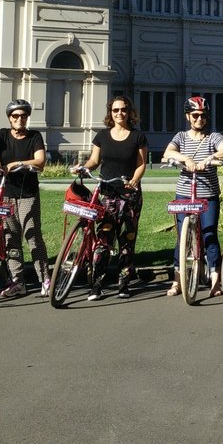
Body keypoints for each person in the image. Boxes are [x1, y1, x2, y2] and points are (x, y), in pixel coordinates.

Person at [0, 98, 50, 298]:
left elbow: (40, 161)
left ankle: (44, 278)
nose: (19, 119)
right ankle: (17, 281)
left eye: (23, 115)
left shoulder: (34, 136)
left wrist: (18, 163)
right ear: (9, 118)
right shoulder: (1, 135)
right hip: (4, 192)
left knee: (32, 235)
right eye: (15, 116)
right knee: (10, 237)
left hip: (27, 193)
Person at [162, 95, 223, 297]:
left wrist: (210, 159)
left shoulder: (213, 137)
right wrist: (185, 158)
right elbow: (168, 152)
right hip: (185, 194)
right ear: (188, 116)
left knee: (210, 235)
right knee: (182, 239)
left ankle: (215, 282)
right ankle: (177, 281)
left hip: (208, 195)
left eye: (203, 115)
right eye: (195, 115)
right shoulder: (181, 137)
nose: (199, 119)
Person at [81, 96, 149, 299]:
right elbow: (94, 160)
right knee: (103, 240)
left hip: (130, 195)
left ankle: (124, 284)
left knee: (127, 241)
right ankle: (97, 285)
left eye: (124, 110)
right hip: (108, 193)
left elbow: (141, 163)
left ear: (130, 113)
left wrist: (135, 180)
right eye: (116, 110)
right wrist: (84, 168)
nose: (120, 113)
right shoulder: (102, 136)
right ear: (110, 112)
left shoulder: (137, 136)